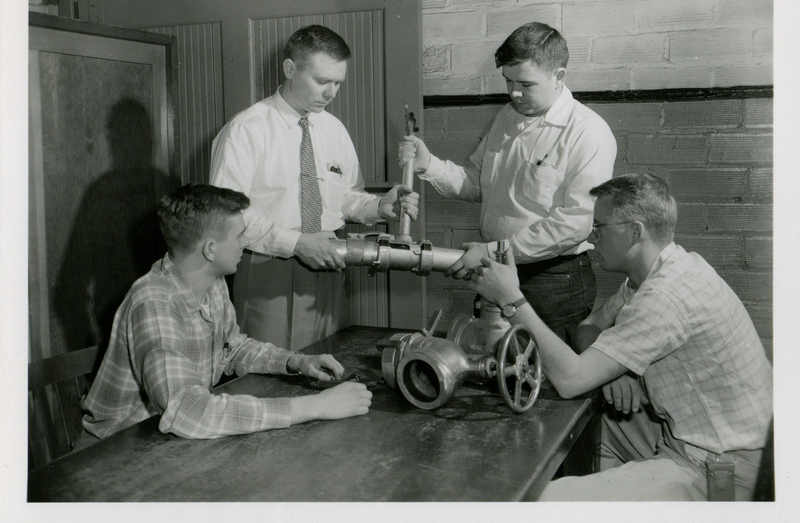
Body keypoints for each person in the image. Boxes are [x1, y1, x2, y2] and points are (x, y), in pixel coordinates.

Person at [468, 173, 772, 501]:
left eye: (599, 227)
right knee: (597, 422)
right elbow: (589, 326)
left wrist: (511, 299)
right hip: (697, 436)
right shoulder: (660, 271)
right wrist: (617, 368)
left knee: (549, 500)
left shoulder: (665, 296)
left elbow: (571, 379)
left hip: (719, 467)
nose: (590, 237)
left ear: (635, 232)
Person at [79, 183, 372, 444]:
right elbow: (187, 411)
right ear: (210, 249)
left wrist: (295, 361)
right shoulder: (154, 302)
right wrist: (315, 407)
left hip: (163, 441)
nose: (246, 241)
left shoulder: (212, 281)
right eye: (240, 234)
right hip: (113, 452)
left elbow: (232, 349)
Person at [399, 22, 616, 343]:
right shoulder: (507, 116)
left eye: (526, 84)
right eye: (508, 81)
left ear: (559, 77)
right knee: (491, 366)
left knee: (547, 381)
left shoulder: (588, 132)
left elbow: (576, 224)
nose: (514, 92)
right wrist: (428, 164)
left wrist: (496, 250)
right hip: (495, 266)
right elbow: (477, 183)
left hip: (552, 280)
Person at [210, 25, 418, 350]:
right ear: (290, 69)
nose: (331, 93)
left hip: (329, 265)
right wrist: (297, 243)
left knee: (323, 363)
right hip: (269, 266)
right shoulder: (245, 130)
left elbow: (345, 196)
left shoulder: (334, 129)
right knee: (268, 377)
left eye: (337, 83)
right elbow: (226, 216)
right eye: (322, 81)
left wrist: (378, 207)